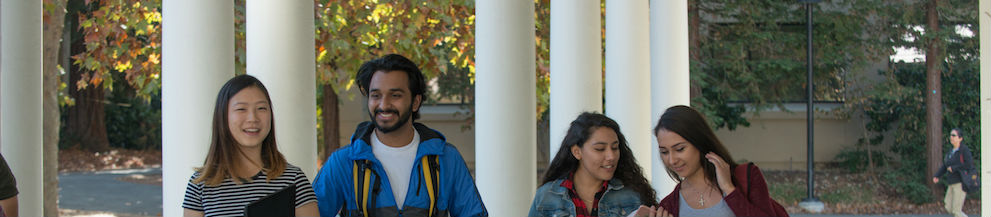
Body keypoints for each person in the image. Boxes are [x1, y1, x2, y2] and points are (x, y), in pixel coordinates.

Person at [313, 54, 487, 217]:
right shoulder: (344, 162)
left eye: (395, 95)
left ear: (415, 102)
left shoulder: (447, 159)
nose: (384, 104)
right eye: (376, 95)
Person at [182, 75, 318, 217]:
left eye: (261, 108)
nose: (253, 118)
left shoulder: (294, 179)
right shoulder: (200, 185)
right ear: (223, 116)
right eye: (241, 109)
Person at [637, 105, 787, 217]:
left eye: (680, 149)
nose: (671, 160)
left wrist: (729, 190)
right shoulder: (669, 206)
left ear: (699, 141)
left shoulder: (746, 176)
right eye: (664, 152)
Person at [528, 112, 657, 217]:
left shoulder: (632, 196)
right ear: (577, 152)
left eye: (615, 148)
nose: (611, 156)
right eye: (600, 149)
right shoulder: (546, 197)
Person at [932, 128, 973, 217]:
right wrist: (937, 175)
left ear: (960, 138)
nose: (951, 137)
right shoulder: (950, 151)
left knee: (956, 210)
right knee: (948, 207)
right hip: (951, 183)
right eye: (951, 135)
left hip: (960, 183)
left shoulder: (964, 150)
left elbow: (969, 165)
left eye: (954, 135)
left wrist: (954, 168)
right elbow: (945, 166)